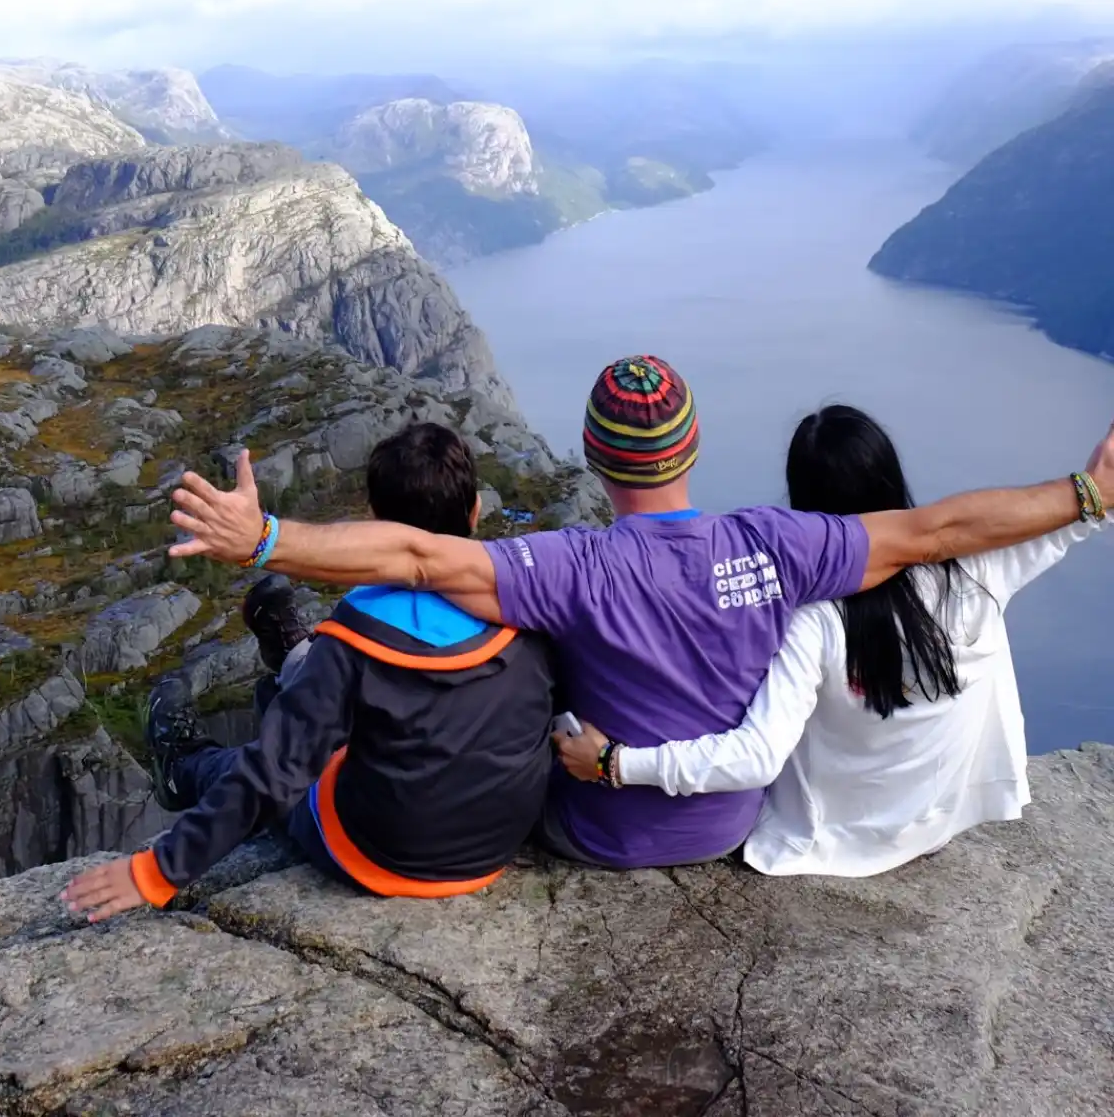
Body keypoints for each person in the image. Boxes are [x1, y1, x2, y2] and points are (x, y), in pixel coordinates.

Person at [159, 354, 1113, 874]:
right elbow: (944, 530)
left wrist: (269, 537)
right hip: (729, 831)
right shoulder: (779, 544)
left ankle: (283, 674)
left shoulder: (571, 564)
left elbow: (416, 554)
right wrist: (1088, 495)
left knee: (487, 641)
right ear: (691, 446)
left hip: (595, 832)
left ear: (593, 456)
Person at [555, 404, 1108, 876]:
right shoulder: (975, 573)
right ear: (892, 481)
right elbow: (1073, 518)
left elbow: (757, 758)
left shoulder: (812, 621)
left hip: (830, 845)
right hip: (939, 821)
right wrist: (1094, 487)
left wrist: (612, 762)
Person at [63, 422, 556, 922]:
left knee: (259, 759)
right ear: (474, 513)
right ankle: (291, 658)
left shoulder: (358, 638)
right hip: (497, 842)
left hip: (381, 852)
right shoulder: (531, 610)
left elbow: (273, 775)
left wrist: (156, 872)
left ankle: (184, 765)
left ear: (373, 522)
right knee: (335, 707)